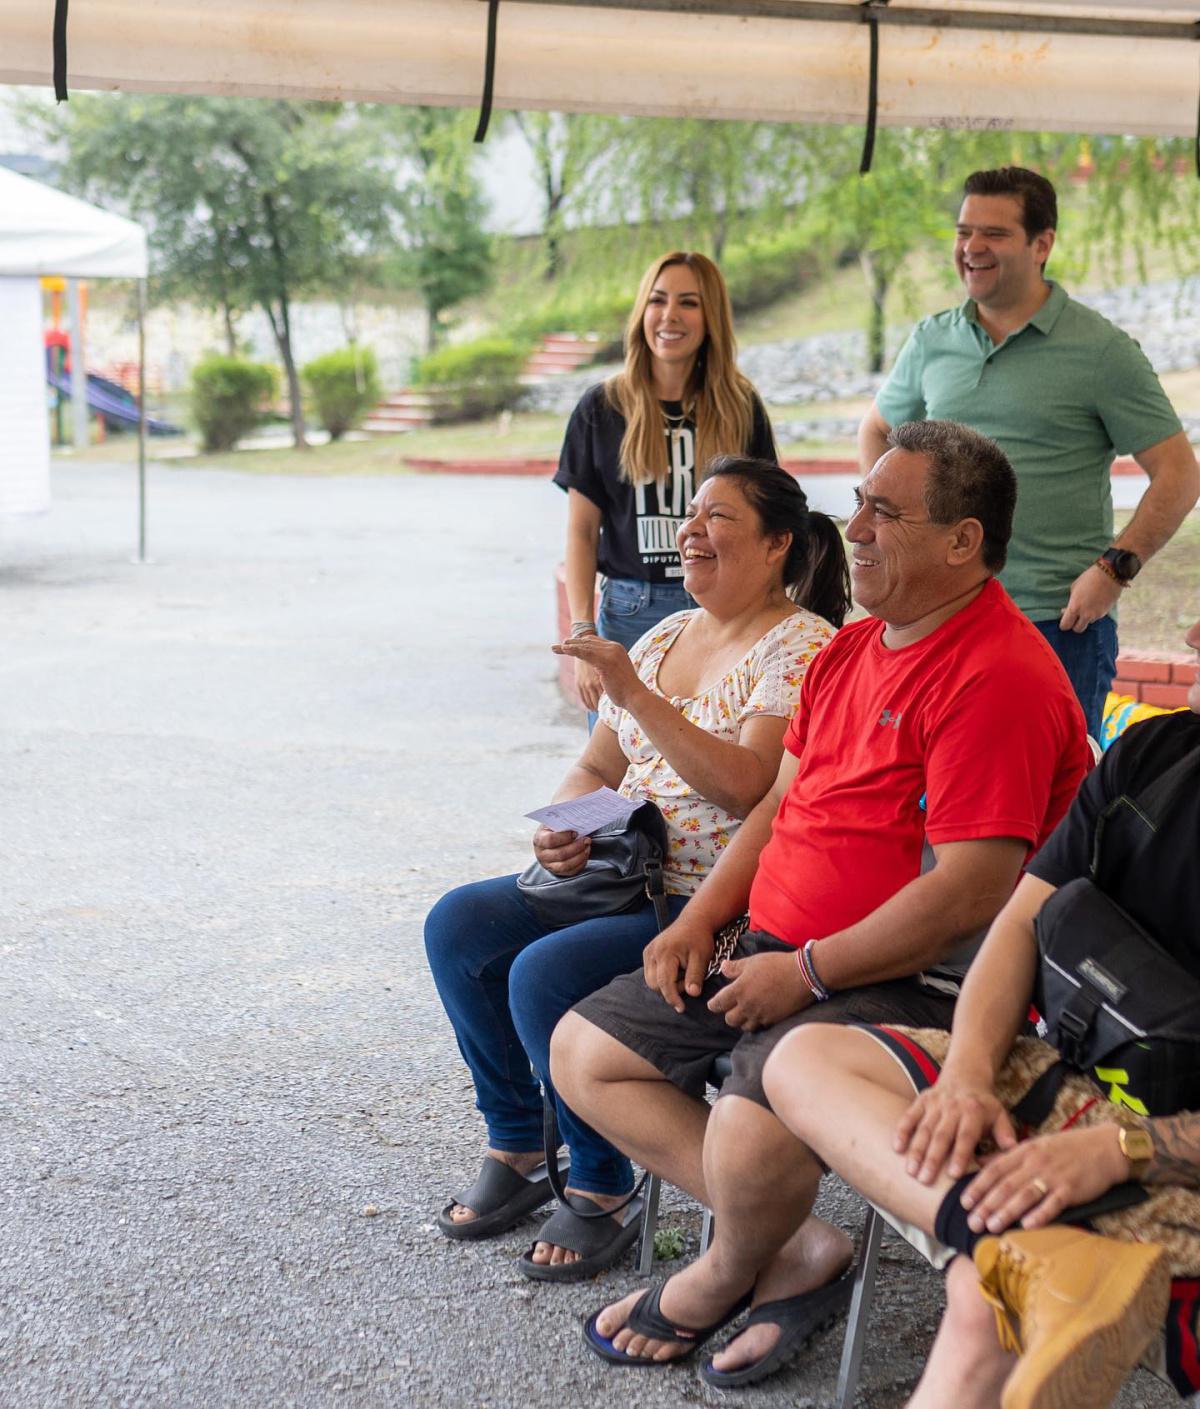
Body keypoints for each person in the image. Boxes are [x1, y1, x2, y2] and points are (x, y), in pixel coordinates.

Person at [552, 419, 1091, 1379]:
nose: (858, 526)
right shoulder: (854, 650)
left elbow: (973, 888)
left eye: (886, 510)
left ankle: (723, 1268)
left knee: (753, 1117)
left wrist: (804, 973)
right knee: (586, 1053)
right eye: (861, 502)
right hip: (771, 942)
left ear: (963, 540)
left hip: (905, 977)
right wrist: (699, 917)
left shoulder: (997, 673)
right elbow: (779, 805)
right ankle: (793, 1249)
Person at [425, 457, 849, 1282]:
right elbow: (597, 768)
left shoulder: (801, 645)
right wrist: (564, 829)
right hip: (615, 872)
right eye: (689, 516)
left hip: (708, 901)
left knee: (542, 974)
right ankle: (516, 1141)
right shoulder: (661, 637)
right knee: (459, 924)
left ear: (776, 545)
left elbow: (745, 783)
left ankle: (599, 1183)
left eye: (718, 517)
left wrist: (635, 690)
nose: (691, 531)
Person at [762, 612, 1200, 1409]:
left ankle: (1018, 1257)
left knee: (976, 1305)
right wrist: (964, 1074)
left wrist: (1126, 1149)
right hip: (1089, 1085)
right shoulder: (1158, 751)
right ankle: (1026, 1250)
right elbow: (1020, 922)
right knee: (806, 1059)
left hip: (1176, 1151)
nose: (1198, 636)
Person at [858, 166, 1199, 740]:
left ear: (1043, 244)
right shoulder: (931, 339)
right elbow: (877, 431)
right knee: (931, 803)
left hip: (1056, 623)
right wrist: (889, 524)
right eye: (964, 231)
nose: (971, 248)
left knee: (1053, 812)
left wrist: (1114, 570)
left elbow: (1179, 474)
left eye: (993, 233)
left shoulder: (1101, 350)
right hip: (939, 614)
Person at [555, 249, 778, 724]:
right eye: (658, 300)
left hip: (724, 613)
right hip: (630, 613)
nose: (670, 315)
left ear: (711, 316)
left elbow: (768, 525)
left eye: (689, 302)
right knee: (615, 782)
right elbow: (580, 532)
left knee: (707, 773)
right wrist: (584, 636)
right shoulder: (602, 407)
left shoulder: (740, 408)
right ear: (642, 313)